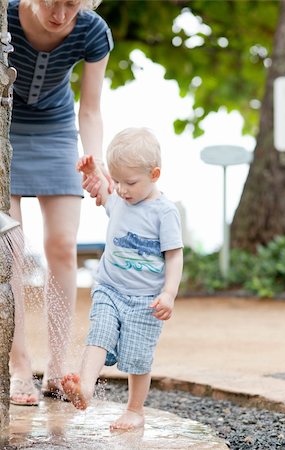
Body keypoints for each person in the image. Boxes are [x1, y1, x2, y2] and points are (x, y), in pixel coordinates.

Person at [7, 0, 113, 406]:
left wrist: (95, 162)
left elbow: (89, 109)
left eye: (73, 4)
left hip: (56, 133)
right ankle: (19, 368)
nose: (62, 14)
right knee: (9, 251)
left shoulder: (92, 31)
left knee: (63, 247)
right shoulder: (6, 16)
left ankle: (57, 366)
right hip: (6, 129)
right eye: (54, 2)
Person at [61, 127, 184, 431]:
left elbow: (174, 255)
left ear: (155, 174)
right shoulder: (118, 198)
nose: (122, 189)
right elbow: (102, 191)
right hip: (110, 288)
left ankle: (135, 409)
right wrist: (93, 172)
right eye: (117, 181)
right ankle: (85, 388)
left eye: (130, 182)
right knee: (99, 332)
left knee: (138, 357)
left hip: (146, 300)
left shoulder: (164, 212)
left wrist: (169, 294)